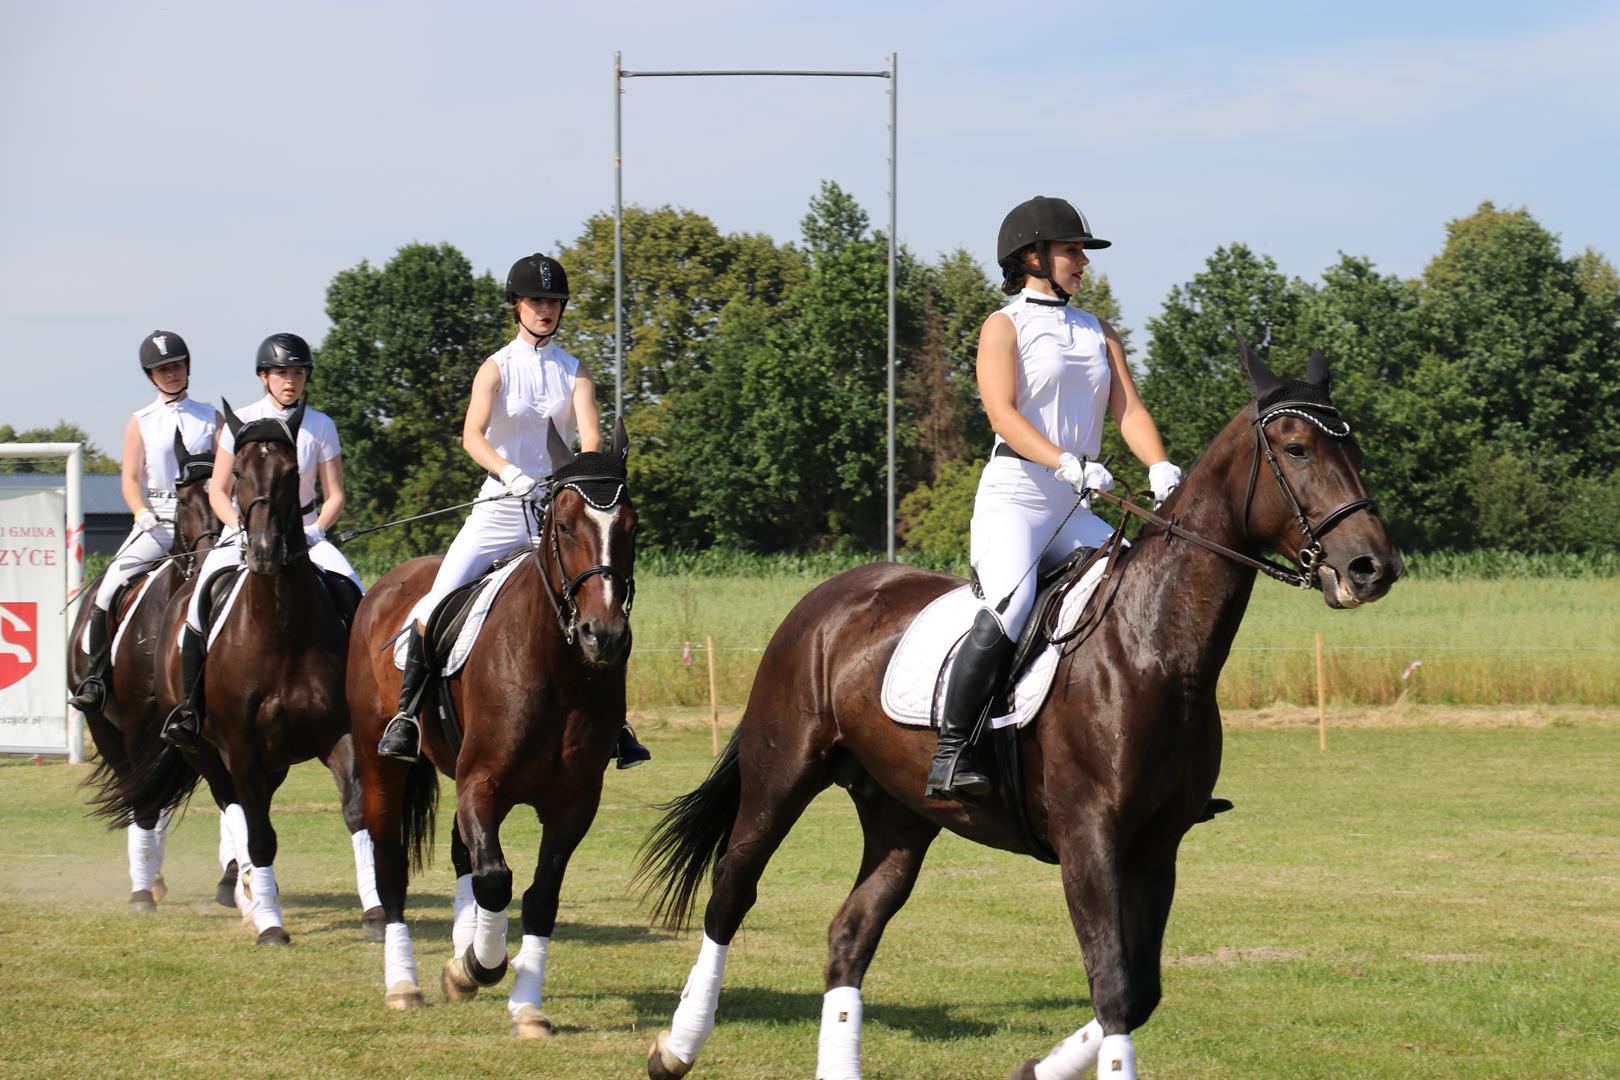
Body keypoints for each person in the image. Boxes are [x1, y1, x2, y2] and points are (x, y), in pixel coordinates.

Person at [925, 196, 1184, 800]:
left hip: (1076, 507)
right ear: (1033, 256)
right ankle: (951, 752)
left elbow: (1129, 410)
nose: (1083, 263)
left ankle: (1161, 761)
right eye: (1072, 251)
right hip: (1016, 496)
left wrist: (1160, 465)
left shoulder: (1097, 331)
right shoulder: (1004, 326)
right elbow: (1002, 414)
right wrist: (1065, 461)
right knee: (1011, 606)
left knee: (1142, 597)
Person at [374, 253, 650, 768]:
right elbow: (472, 436)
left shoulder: (575, 371)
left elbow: (590, 438)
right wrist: (508, 473)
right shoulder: (496, 367)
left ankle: (617, 725)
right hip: (500, 512)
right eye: (536, 301)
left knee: (602, 603)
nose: (546, 310)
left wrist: (576, 483)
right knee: (434, 603)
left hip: (558, 516)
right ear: (517, 305)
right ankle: (407, 716)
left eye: (554, 302)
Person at [161, 332, 361, 749]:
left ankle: (364, 699)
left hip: (305, 532)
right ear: (263, 376)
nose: (291, 381)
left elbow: (335, 494)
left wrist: (317, 529)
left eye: (299, 373)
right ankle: (190, 709)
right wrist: (238, 527)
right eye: (282, 373)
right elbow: (218, 491)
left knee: (356, 596)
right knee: (198, 604)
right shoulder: (242, 421)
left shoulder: (321, 424)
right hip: (245, 531)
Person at [69, 332, 222, 713]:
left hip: (206, 520)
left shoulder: (211, 417)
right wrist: (141, 512)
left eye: (176, 366)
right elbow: (129, 478)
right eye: (162, 369)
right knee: (109, 586)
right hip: (160, 517)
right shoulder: (141, 421)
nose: (171, 373)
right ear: (151, 376)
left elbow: (227, 473)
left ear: (187, 367)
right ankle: (96, 677)